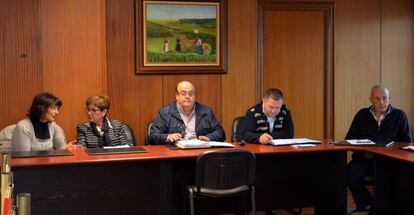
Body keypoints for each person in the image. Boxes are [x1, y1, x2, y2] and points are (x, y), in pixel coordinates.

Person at [346, 85, 411, 213]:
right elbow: (349, 138)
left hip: (389, 160)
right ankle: (368, 204)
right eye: (377, 99)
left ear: (389, 98)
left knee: (389, 177)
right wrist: (362, 149)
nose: (381, 102)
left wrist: (391, 148)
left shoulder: (399, 115)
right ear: (371, 99)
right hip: (363, 159)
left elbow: (406, 142)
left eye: (385, 98)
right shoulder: (361, 114)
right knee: (350, 174)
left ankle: (382, 209)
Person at [149, 81, 225, 144]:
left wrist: (209, 137)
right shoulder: (165, 112)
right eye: (183, 93)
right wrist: (168, 137)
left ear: (195, 95)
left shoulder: (206, 111)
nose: (187, 96)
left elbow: (221, 133)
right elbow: (152, 136)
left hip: (199, 152)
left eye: (191, 93)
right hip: (175, 155)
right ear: (177, 95)